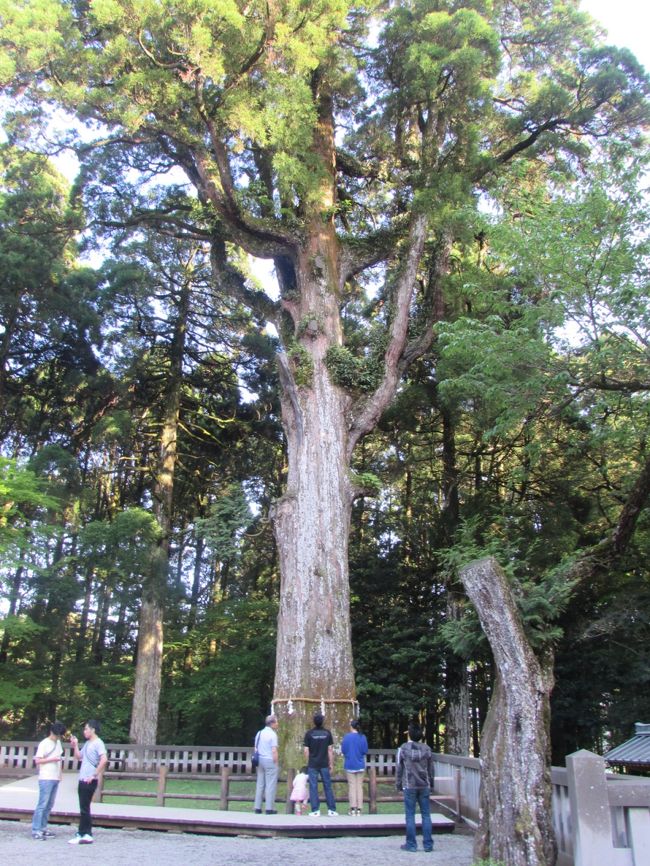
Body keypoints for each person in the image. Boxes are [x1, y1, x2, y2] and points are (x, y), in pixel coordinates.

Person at [396, 723, 435, 853]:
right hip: (424, 785)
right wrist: (431, 783)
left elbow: (399, 768)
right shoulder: (427, 749)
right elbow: (431, 769)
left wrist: (398, 784)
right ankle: (428, 844)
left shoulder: (403, 749)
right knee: (426, 815)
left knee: (410, 815)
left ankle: (411, 844)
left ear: (410, 734)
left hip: (409, 784)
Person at [68, 719, 107, 845]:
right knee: (83, 807)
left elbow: (104, 759)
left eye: (86, 729)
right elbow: (79, 757)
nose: (84, 731)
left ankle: (87, 833)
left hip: (89, 779)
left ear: (93, 730)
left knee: (85, 808)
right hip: (82, 778)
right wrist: (75, 745)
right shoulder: (88, 743)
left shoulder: (98, 743)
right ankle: (81, 832)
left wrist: (94, 774)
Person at [31, 721, 67, 840]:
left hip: (55, 776)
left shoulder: (58, 743)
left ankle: (43, 827)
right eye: (57, 735)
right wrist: (52, 759)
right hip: (46, 777)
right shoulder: (44, 743)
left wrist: (60, 774)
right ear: (52, 732)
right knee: (42, 804)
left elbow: (60, 759)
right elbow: (38, 760)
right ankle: (36, 829)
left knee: (49, 805)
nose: (58, 737)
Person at [303, 711, 338, 816]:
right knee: (327, 785)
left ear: (314, 722)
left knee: (313, 787)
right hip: (324, 764)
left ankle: (315, 810)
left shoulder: (309, 734)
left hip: (313, 764)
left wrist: (308, 761)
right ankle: (331, 809)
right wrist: (331, 763)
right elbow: (330, 750)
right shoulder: (327, 733)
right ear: (322, 722)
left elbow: (306, 750)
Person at [253, 713, 279, 814]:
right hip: (269, 760)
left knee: (260, 784)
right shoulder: (273, 735)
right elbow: (274, 750)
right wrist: (276, 762)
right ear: (272, 723)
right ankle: (269, 808)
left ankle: (257, 807)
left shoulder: (259, 733)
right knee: (270, 784)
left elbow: (255, 748)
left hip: (260, 760)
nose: (277, 724)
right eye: (276, 722)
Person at [341, 718, 368, 816]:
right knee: (359, 786)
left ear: (351, 727)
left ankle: (352, 808)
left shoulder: (347, 737)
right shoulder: (363, 737)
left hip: (349, 764)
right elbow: (365, 751)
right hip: (360, 764)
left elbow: (343, 750)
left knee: (352, 786)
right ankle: (360, 809)